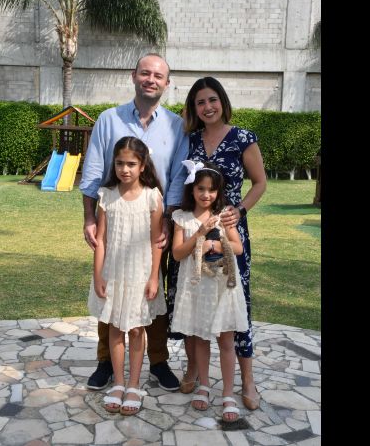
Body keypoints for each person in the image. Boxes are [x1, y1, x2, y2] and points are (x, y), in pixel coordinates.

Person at [80, 53, 188, 391]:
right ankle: (105, 362)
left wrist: (168, 224)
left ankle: (157, 361)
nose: (151, 79)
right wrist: (88, 218)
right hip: (113, 222)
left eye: (158, 75)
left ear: (166, 84)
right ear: (134, 76)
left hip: (156, 225)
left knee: (152, 291)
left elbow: (176, 179)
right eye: (145, 73)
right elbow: (94, 172)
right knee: (108, 290)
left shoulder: (176, 125)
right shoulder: (108, 120)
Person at [167, 76, 267, 410]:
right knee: (194, 298)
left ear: (222, 101)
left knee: (236, 305)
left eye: (212, 100)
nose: (208, 107)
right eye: (200, 102)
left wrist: (237, 211)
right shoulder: (190, 138)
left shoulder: (242, 137)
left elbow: (260, 183)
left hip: (229, 229)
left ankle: (247, 381)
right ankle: (195, 372)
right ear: (193, 108)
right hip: (193, 225)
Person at [87, 136, 165, 415]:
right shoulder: (106, 196)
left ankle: (134, 384)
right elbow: (102, 240)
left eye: (132, 164)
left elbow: (158, 241)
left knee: (136, 329)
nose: (125, 169)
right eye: (120, 163)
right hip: (113, 273)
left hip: (140, 274)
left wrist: (154, 277)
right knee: (115, 329)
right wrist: (98, 275)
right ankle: (118, 383)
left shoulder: (152, 196)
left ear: (143, 165)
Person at [170, 160, 248, 423]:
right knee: (200, 338)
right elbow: (178, 253)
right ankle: (204, 385)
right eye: (201, 189)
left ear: (218, 192)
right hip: (195, 287)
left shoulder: (225, 215)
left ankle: (227, 393)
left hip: (221, 285)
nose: (206, 195)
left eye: (211, 190)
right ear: (192, 189)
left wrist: (216, 244)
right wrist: (199, 236)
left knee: (226, 340)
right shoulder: (181, 217)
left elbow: (238, 248)